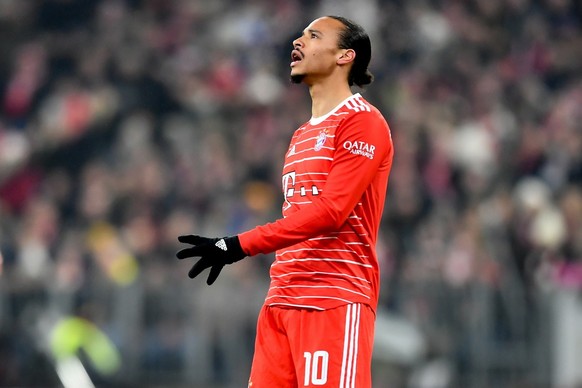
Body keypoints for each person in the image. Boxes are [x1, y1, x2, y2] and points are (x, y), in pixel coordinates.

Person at [177, 15, 394, 387]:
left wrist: (238, 245)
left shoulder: (364, 123)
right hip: (280, 302)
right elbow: (298, 219)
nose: (298, 41)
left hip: (332, 299)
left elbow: (330, 212)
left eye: (313, 36)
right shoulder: (299, 136)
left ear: (345, 56)